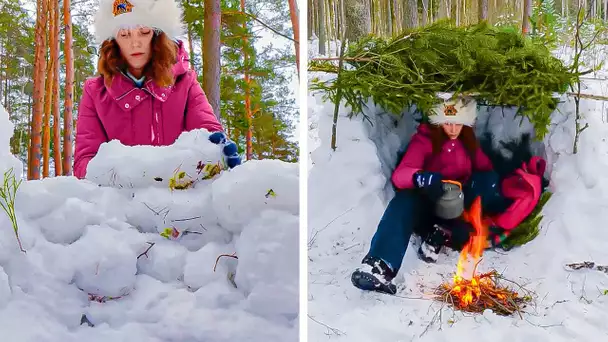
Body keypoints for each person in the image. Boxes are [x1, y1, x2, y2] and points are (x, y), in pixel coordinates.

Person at [351, 93, 543, 295]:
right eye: (447, 123)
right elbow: (401, 175)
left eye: (457, 124)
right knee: (403, 202)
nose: (452, 129)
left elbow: (486, 171)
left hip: (458, 209)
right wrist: (423, 178)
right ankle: (379, 264)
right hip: (429, 203)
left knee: (486, 184)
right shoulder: (425, 140)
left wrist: (506, 185)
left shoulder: (468, 143)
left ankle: (442, 233)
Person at [73, 0, 240, 179]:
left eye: (143, 32)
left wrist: (217, 151)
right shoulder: (95, 92)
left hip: (179, 196)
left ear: (158, 34)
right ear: (113, 40)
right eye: (124, 34)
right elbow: (84, 162)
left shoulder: (186, 82)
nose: (135, 43)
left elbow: (207, 131)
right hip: (119, 200)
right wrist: (126, 176)